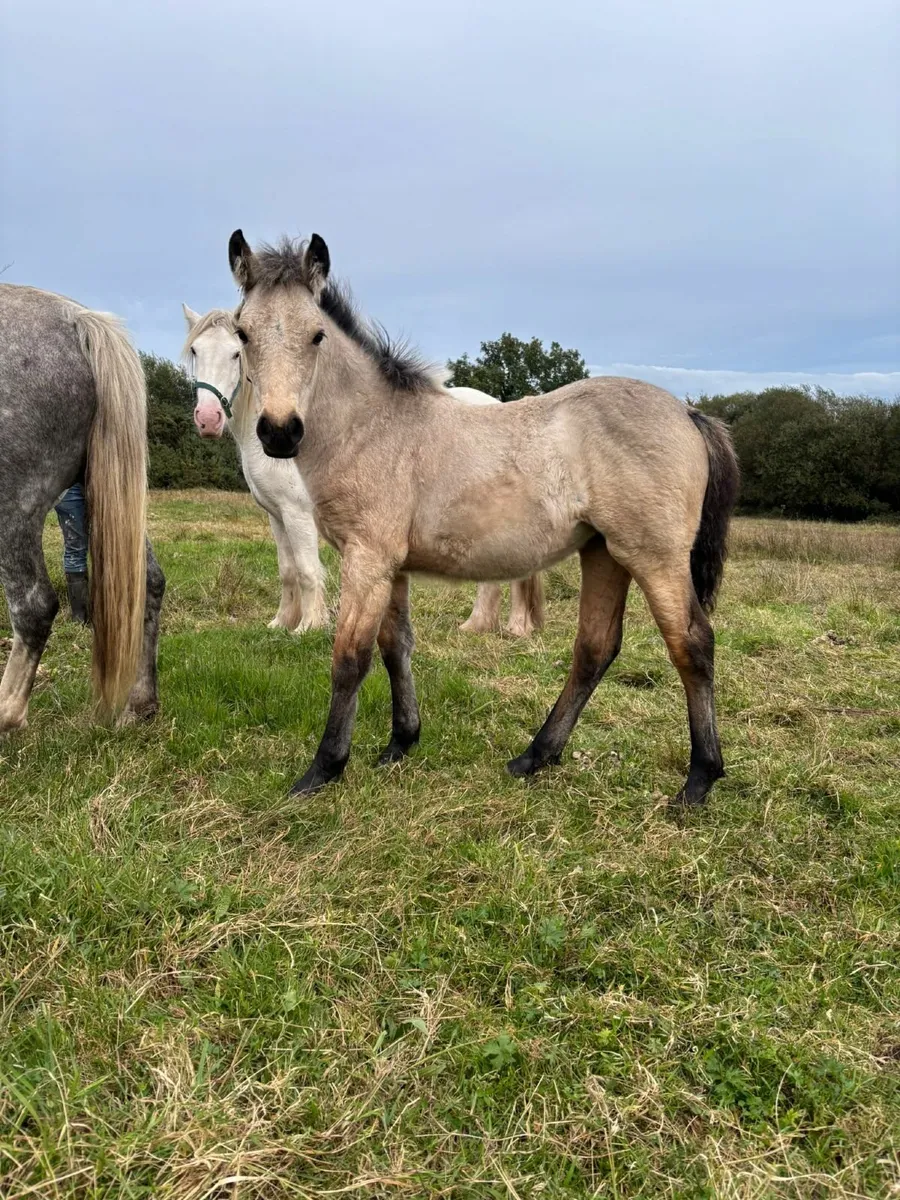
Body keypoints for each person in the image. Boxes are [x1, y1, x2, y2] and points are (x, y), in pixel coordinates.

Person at [54, 483, 89, 624]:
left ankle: (81, 617)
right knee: (75, 549)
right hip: (70, 485)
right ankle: (80, 616)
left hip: (69, 485)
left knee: (75, 549)